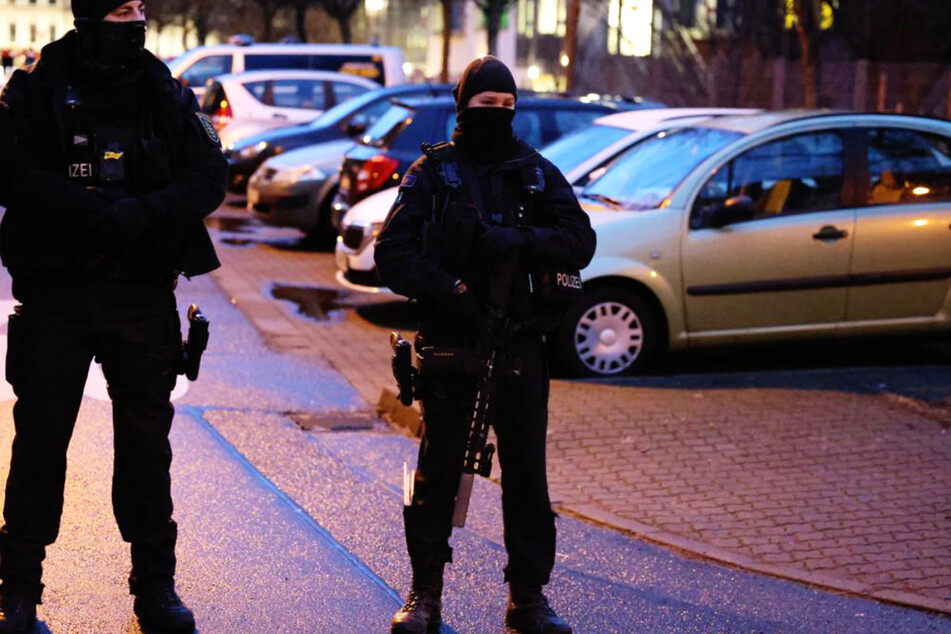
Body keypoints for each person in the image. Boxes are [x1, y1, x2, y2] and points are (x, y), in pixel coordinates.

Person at [0, 1, 226, 632]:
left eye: (142, 8)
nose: (137, 18)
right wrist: (82, 208)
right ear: (91, 13)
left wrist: (144, 214)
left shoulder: (164, 87)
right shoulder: (39, 84)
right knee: (40, 445)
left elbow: (211, 174)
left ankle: (155, 588)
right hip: (57, 296)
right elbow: (7, 168)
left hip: (140, 297)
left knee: (147, 451)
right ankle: (18, 592)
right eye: (122, 8)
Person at [375, 56, 595, 634]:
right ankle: (425, 594)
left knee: (527, 478)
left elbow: (580, 241)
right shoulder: (432, 174)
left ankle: (528, 598)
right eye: (484, 104)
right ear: (462, 105)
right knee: (438, 475)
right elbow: (392, 254)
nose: (496, 114)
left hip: (520, 347)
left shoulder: (536, 173)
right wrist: (451, 290)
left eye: (505, 106)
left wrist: (519, 240)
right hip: (453, 345)